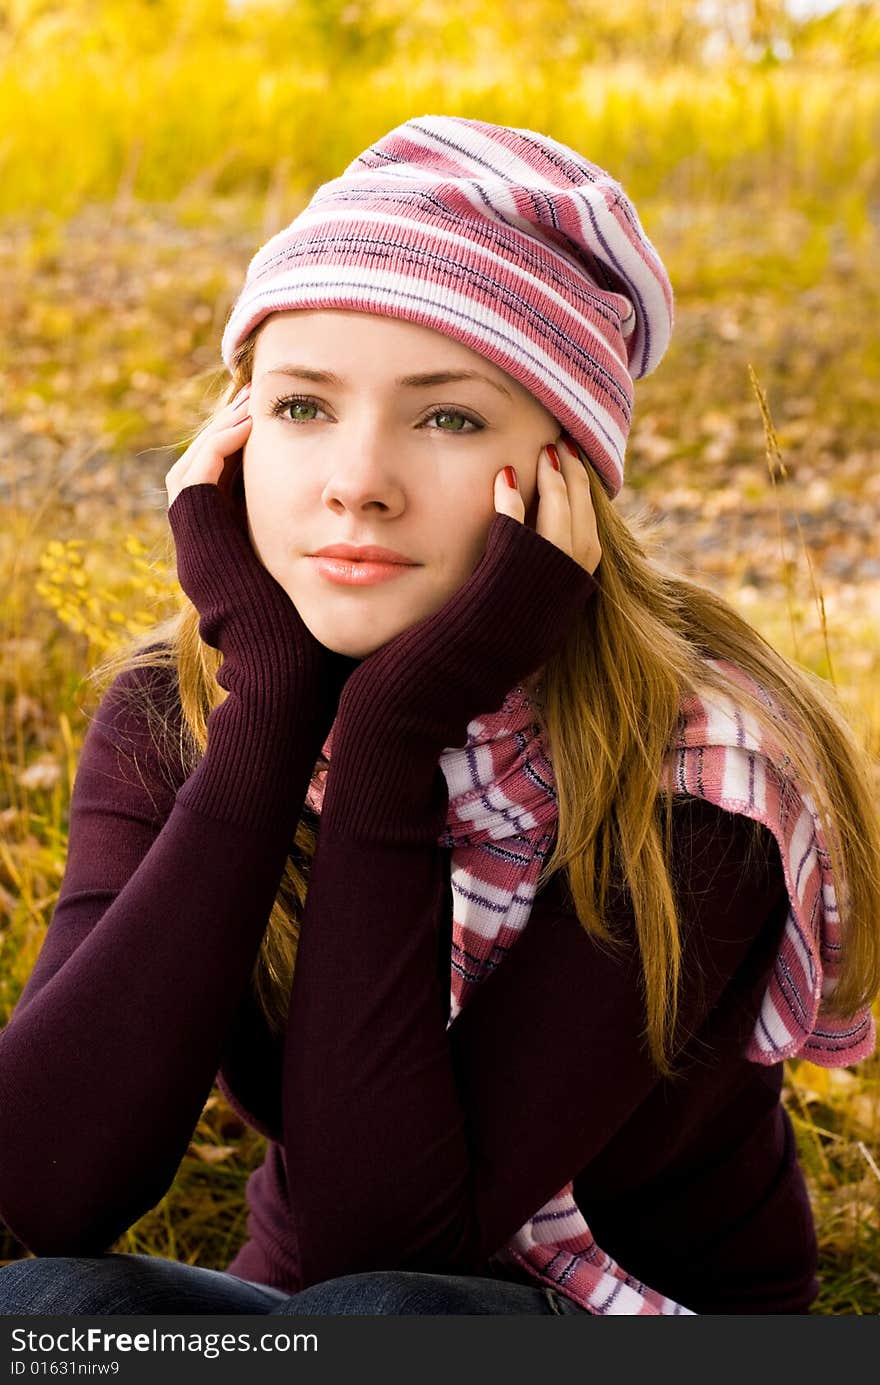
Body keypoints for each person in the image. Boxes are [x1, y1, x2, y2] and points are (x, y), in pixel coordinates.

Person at [0, 113, 878, 1319]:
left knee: (387, 1318)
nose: (358, 477)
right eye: (304, 406)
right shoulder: (189, 710)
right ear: (234, 438)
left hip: (636, 1323)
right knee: (41, 1312)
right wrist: (269, 718)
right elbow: (48, 1186)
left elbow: (388, 1249)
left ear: (563, 470)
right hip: (298, 1328)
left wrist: (389, 744)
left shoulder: (692, 773)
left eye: (447, 416)